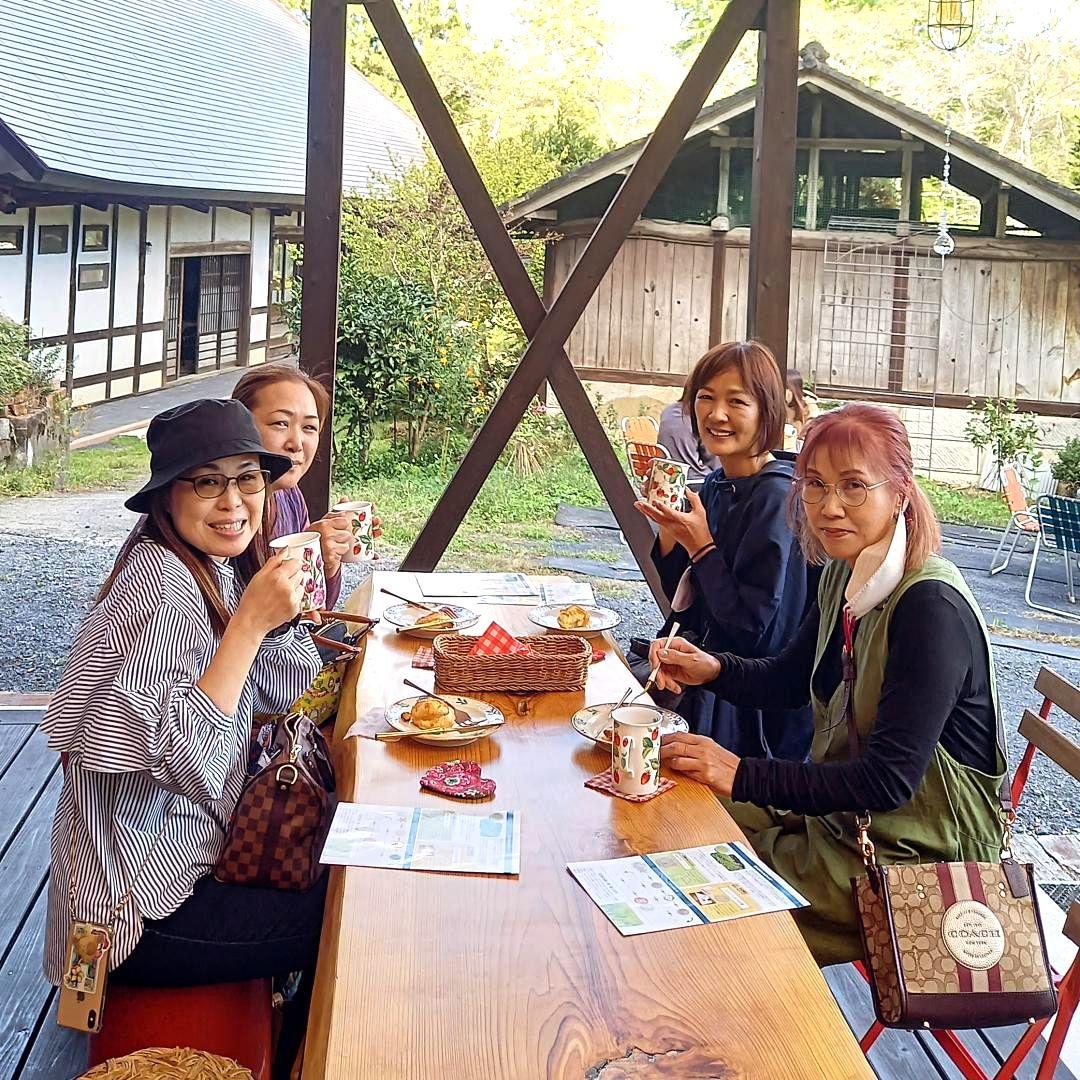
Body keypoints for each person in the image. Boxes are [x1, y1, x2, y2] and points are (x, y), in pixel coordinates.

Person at [650, 403, 1005, 965]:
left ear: (901, 492)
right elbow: (791, 680)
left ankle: (774, 1043)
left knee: (695, 900)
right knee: (672, 814)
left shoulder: (928, 609)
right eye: (814, 485)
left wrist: (740, 772)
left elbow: (887, 783)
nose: (829, 507)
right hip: (844, 826)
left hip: (913, 869)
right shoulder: (846, 569)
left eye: (854, 486)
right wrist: (712, 667)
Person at [41, 399, 326, 1075]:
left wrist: (276, 610)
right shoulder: (162, 588)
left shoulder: (210, 564)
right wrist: (247, 629)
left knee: (338, 876)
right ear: (166, 497)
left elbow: (289, 693)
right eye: (207, 481)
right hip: (137, 914)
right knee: (346, 916)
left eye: (247, 479)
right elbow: (191, 760)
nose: (232, 500)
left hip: (175, 873)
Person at [635, 341, 816, 760]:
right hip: (707, 686)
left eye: (736, 401)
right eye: (705, 398)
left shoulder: (777, 498)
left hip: (754, 720)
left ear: (766, 409)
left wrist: (701, 547)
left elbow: (752, 630)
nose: (716, 414)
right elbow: (687, 598)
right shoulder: (717, 484)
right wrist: (670, 533)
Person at [233, 364, 375, 610]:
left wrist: (326, 559)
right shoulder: (226, 513)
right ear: (240, 426)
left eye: (309, 427)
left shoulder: (289, 496)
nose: (296, 443)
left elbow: (311, 614)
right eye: (280, 423)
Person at [656, 399, 721, 485]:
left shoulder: (668, 410)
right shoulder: (697, 417)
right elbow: (715, 464)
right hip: (691, 480)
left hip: (664, 476)